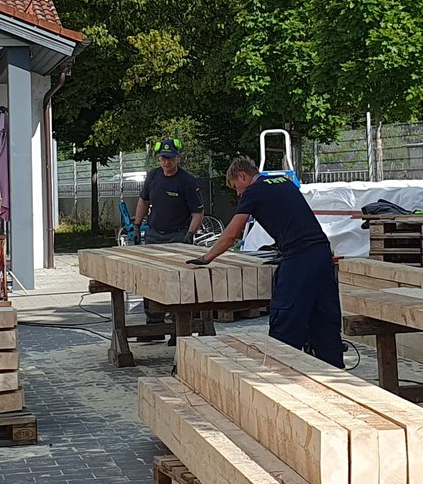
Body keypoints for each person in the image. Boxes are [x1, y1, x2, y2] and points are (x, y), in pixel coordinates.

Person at [189, 157, 343, 367]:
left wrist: (207, 257)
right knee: (324, 318)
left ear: (242, 176)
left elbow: (231, 234)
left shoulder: (254, 191)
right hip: (322, 255)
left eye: (236, 187)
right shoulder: (283, 182)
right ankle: (334, 373)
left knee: (286, 321)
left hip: (299, 259)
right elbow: (289, 215)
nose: (238, 193)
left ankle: (282, 375)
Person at [133, 139, 205, 245]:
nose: (167, 162)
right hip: (154, 235)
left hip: (178, 235)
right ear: (159, 159)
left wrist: (190, 234)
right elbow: (144, 201)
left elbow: (198, 212)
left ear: (177, 158)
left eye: (170, 159)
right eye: (163, 158)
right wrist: (137, 226)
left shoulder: (187, 181)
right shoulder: (152, 176)